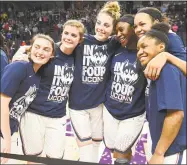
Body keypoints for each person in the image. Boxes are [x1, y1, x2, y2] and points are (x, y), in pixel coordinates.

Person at [15, 20, 85, 163]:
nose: (68, 37)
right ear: (61, 33)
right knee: (33, 158)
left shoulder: (78, 56)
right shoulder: (50, 51)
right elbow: (33, 51)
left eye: (73, 35)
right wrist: (19, 55)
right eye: (66, 33)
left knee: (55, 158)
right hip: (34, 113)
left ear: (80, 39)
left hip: (58, 115)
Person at [68, 2, 121, 163]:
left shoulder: (114, 44)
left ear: (113, 28)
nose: (101, 28)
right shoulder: (82, 41)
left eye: (106, 25)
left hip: (98, 105)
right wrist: (25, 51)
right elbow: (57, 47)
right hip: (78, 106)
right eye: (99, 23)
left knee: (96, 144)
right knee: (85, 146)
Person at [0, 33, 55, 164]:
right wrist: (7, 140)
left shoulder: (36, 75)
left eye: (46, 49)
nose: (40, 52)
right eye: (37, 47)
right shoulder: (19, 67)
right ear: (30, 49)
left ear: (52, 55)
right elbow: (2, 105)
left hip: (9, 129)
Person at [137, 22, 186, 164]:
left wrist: (159, 153)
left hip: (171, 150)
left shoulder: (166, 70)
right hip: (166, 147)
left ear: (161, 47)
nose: (140, 51)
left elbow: (176, 115)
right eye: (138, 48)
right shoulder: (155, 71)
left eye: (144, 46)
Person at [103, 15, 147, 163]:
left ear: (134, 29)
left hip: (133, 114)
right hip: (110, 110)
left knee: (121, 152)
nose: (118, 34)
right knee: (112, 148)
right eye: (116, 30)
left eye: (122, 29)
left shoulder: (145, 53)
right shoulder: (116, 49)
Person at [134, 7, 186, 80]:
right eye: (135, 27)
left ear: (156, 23)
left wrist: (166, 56)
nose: (138, 30)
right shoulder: (144, 41)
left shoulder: (171, 37)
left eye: (142, 24)